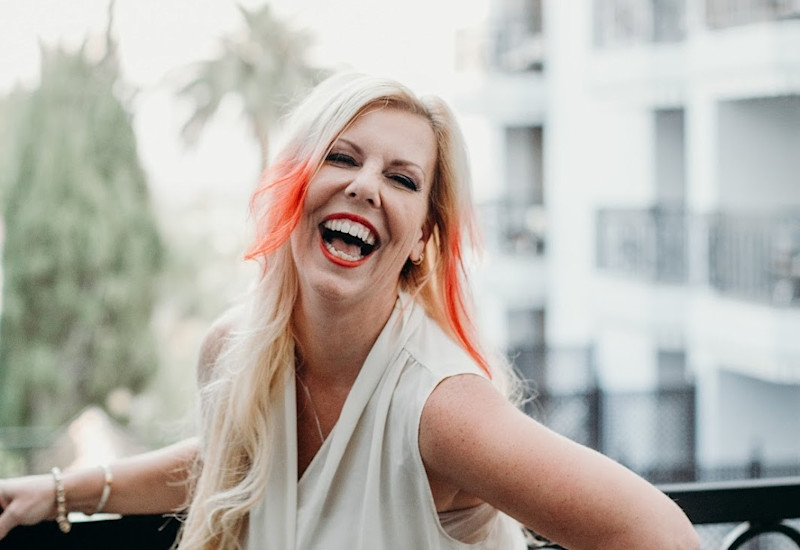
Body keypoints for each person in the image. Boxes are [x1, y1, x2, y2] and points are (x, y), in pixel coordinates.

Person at [0, 72, 700, 550]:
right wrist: (61, 490)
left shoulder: (442, 410)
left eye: (401, 178)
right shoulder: (233, 352)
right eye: (342, 158)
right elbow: (232, 460)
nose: (366, 187)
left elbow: (660, 536)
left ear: (422, 238)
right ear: (294, 190)